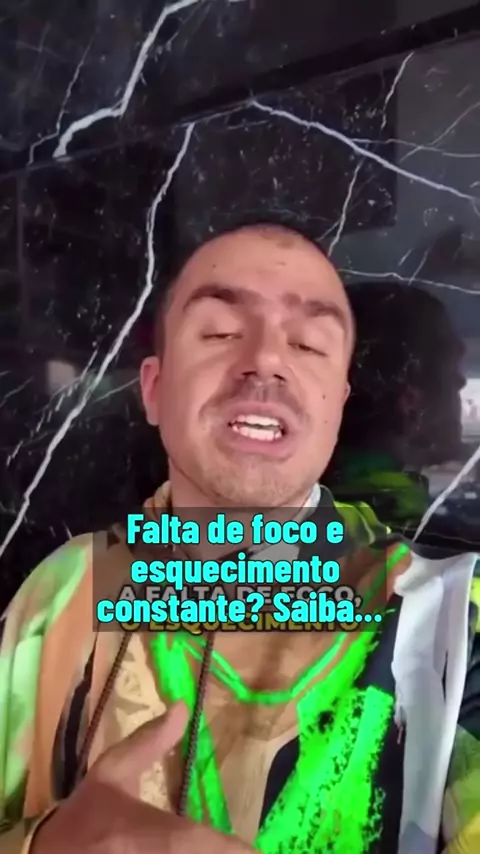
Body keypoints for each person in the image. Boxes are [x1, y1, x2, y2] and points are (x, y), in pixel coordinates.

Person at [0, 222, 478, 854]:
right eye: (221, 332)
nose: (267, 360)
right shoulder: (61, 594)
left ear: (337, 406)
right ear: (154, 389)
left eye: (308, 344)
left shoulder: (450, 621)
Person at [324, 283, 466, 535]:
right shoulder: (437, 541)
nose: (462, 382)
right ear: (410, 402)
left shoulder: (289, 518)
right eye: (453, 375)